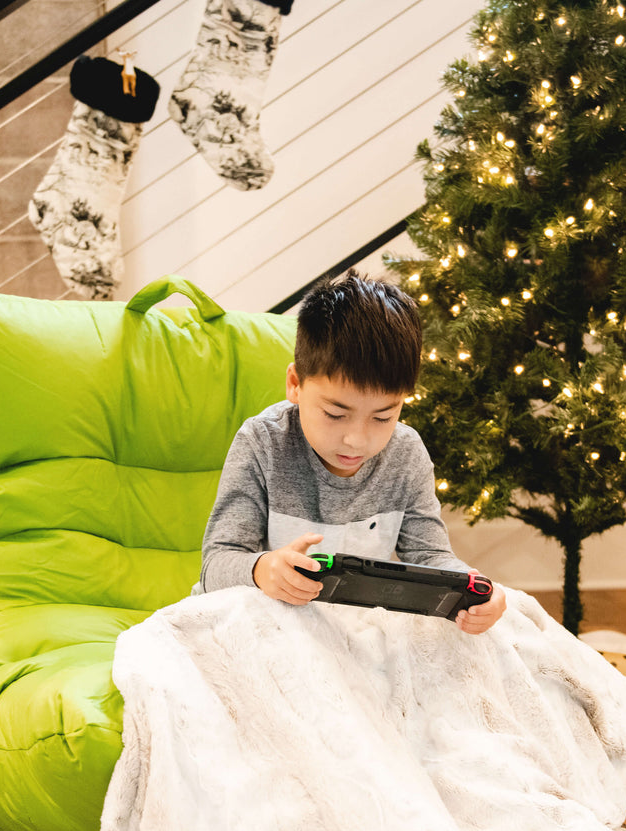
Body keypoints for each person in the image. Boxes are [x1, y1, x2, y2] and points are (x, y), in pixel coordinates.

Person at [197, 271, 507, 635]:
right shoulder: (262, 442)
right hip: (269, 625)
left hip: (356, 631)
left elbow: (431, 557)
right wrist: (262, 569)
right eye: (335, 414)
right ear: (295, 384)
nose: (356, 440)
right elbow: (216, 563)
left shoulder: (406, 454)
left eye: (383, 416)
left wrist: (473, 588)